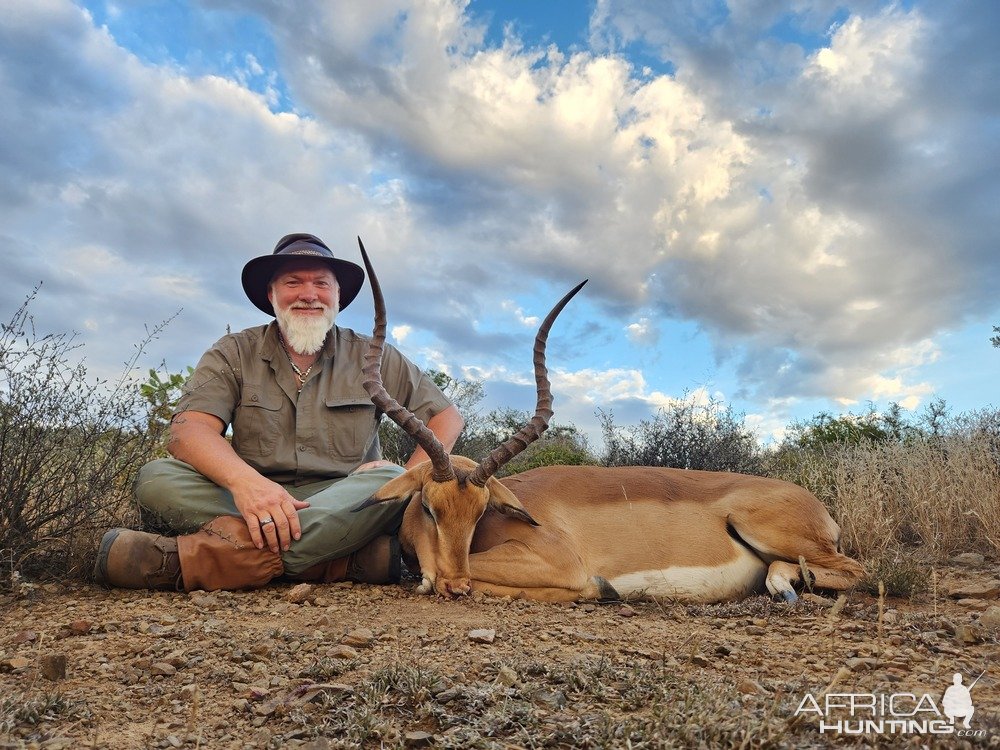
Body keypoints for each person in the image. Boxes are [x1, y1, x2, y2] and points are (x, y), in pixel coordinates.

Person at [94, 233, 464, 592]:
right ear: (271, 295)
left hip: (344, 495)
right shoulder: (234, 351)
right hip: (246, 496)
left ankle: (189, 562)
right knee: (156, 477)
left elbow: (446, 418)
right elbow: (188, 432)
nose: (308, 294)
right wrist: (247, 485)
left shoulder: (373, 354)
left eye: (322, 283)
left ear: (338, 296)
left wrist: (406, 475)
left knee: (386, 482)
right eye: (292, 282)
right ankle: (337, 560)